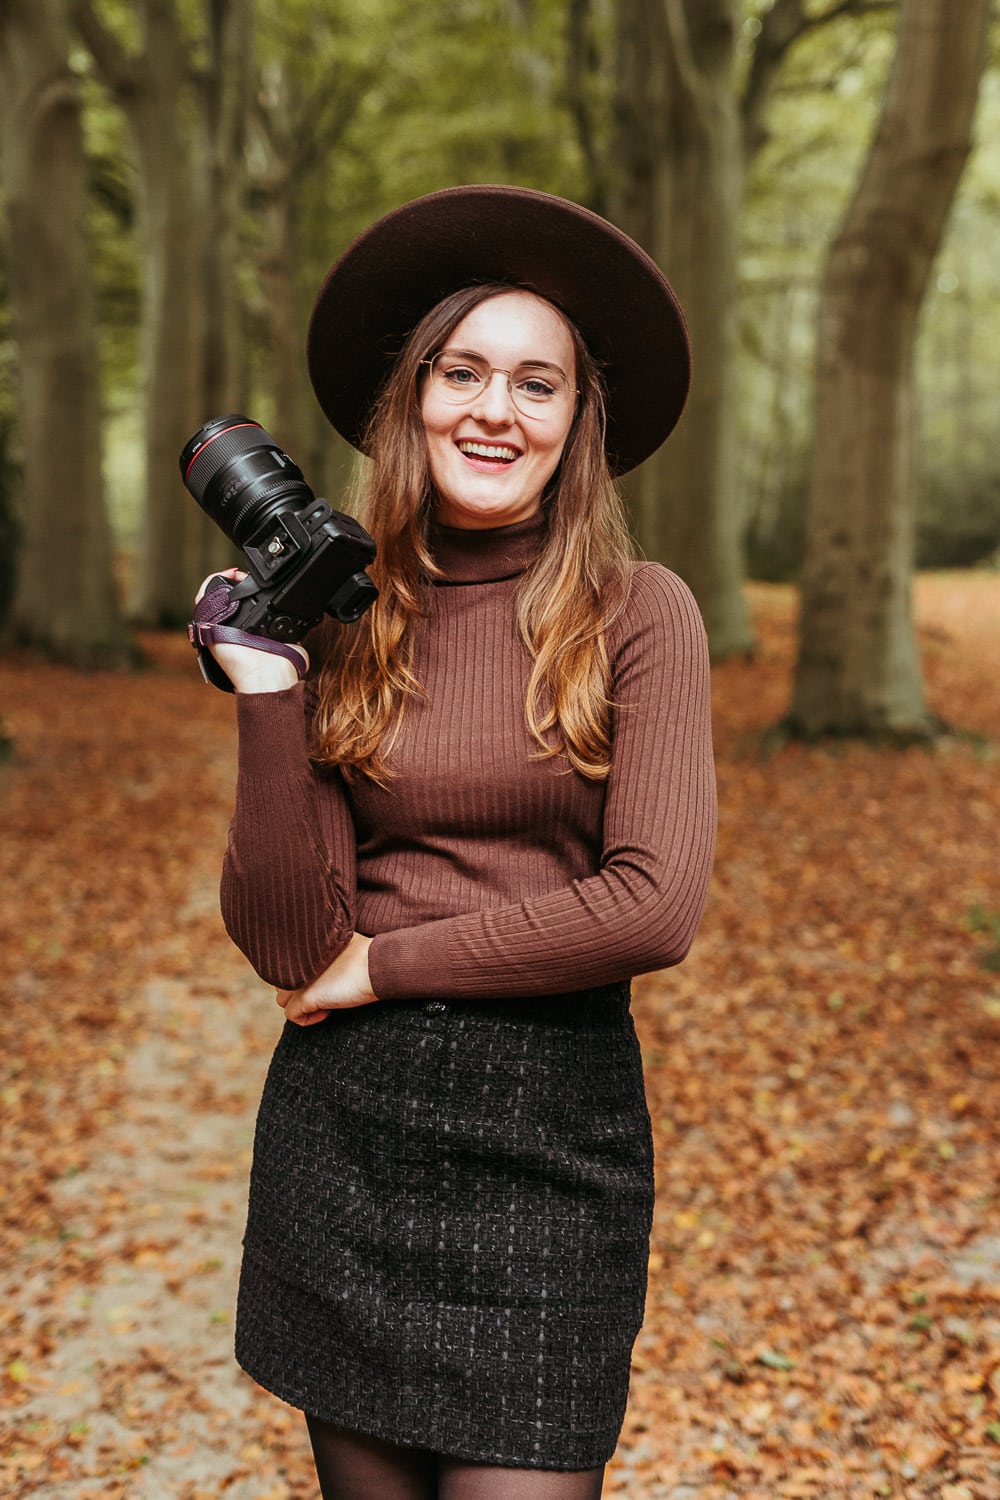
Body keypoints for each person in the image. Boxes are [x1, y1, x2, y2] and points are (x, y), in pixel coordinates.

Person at [195, 185, 717, 1500]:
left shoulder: (640, 613)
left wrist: (386, 965)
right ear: (411, 401)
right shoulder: (341, 615)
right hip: (347, 1139)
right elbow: (289, 939)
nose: (494, 408)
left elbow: (652, 907)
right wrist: (269, 692)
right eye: (462, 371)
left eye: (536, 384)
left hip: (554, 1141)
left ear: (577, 425)